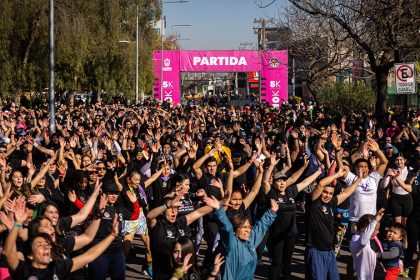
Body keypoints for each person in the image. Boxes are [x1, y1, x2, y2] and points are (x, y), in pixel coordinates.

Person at [2, 196, 119, 280]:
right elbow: (8, 253)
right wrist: (17, 225)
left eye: (47, 244)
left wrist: (112, 235)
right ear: (30, 254)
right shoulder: (23, 269)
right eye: (40, 245)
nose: (46, 247)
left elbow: (89, 255)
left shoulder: (57, 267)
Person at [305, 166, 363, 280]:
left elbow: (346, 193)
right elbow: (321, 184)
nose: (327, 196)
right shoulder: (314, 203)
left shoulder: (331, 204)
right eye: (325, 192)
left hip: (329, 251)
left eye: (330, 193)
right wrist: (337, 175)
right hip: (315, 251)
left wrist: (359, 179)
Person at [203, 194, 278, 280]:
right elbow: (227, 229)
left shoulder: (250, 240)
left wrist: (272, 212)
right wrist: (219, 210)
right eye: (244, 227)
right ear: (236, 229)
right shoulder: (231, 243)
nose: (248, 230)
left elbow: (260, 227)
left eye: (249, 227)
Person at [350, 209, 385, 280]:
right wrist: (374, 221)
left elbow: (382, 252)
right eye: (376, 229)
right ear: (366, 229)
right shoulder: (356, 241)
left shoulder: (373, 239)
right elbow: (363, 242)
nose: (378, 232)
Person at [383, 154, 414, 225]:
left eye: (401, 160)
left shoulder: (410, 170)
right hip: (395, 198)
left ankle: (405, 236)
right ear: (394, 161)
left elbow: (411, 185)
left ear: (404, 161)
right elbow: (388, 184)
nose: (399, 161)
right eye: (397, 160)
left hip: (407, 198)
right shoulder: (392, 170)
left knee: (405, 222)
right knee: (397, 223)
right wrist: (387, 193)